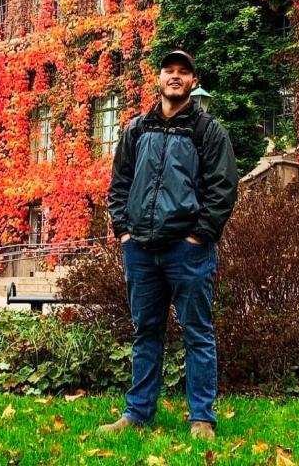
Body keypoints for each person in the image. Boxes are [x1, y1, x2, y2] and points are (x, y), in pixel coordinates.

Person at [100, 49, 238, 441]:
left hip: (187, 251)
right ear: (158, 79)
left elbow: (223, 190)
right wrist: (124, 233)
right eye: (168, 71)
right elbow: (119, 185)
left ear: (193, 82)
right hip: (141, 250)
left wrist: (198, 237)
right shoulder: (136, 130)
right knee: (146, 332)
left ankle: (201, 419)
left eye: (183, 72)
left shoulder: (208, 132)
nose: (175, 77)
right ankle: (138, 412)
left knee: (197, 331)